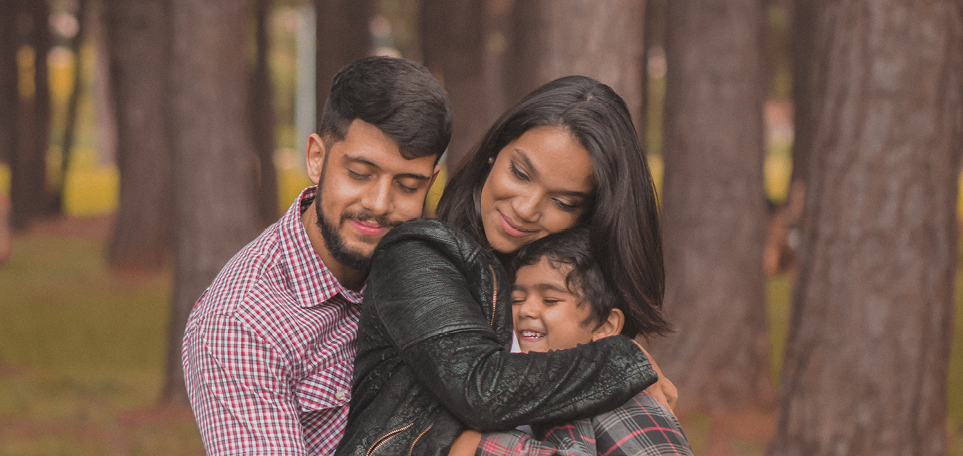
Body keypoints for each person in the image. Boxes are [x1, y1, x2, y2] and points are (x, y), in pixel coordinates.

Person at [335, 75, 673, 456]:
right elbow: (481, 390)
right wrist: (623, 359)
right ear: (496, 151)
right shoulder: (419, 252)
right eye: (520, 173)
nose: (526, 209)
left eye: (563, 202)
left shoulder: (578, 303)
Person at [181, 56, 453, 455]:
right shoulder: (242, 323)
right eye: (360, 173)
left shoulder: (426, 268)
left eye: (408, 186)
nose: (379, 204)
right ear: (316, 158)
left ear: (430, 183)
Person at [472, 228, 693, 455]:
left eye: (550, 300)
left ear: (605, 326)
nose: (525, 310)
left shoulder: (627, 403)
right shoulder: (548, 387)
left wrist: (477, 445)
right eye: (517, 299)